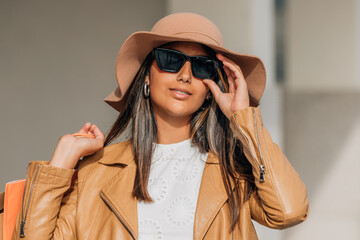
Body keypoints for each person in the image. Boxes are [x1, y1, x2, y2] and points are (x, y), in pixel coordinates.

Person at [12, 12, 309, 240]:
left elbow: (289, 210)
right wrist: (60, 166)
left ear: (211, 88)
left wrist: (242, 117)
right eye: (170, 59)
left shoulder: (234, 173)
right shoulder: (97, 174)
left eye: (202, 66)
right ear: (145, 76)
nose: (185, 74)